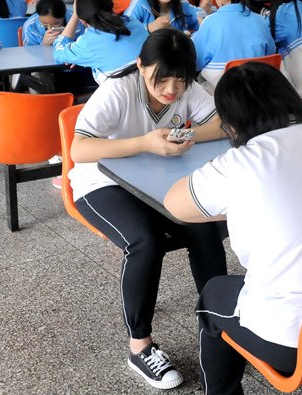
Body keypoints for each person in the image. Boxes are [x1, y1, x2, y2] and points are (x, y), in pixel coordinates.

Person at [163, 62, 302, 394]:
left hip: (298, 339)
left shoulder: (241, 164)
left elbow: (174, 203)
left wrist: (245, 205)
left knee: (213, 295)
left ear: (230, 124)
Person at [68, 28, 229, 389]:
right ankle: (140, 345)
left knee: (202, 224)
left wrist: (183, 135)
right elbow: (79, 149)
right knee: (145, 241)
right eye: (162, 79)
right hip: (101, 182)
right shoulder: (117, 89)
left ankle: (220, 326)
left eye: (180, 80)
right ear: (141, 65)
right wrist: (144, 143)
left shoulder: (186, 87)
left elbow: (221, 124)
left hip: (157, 180)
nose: (172, 89)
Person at [191, 0, 276, 89]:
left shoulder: (209, 22)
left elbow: (195, 62)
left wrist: (201, 29)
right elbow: (270, 54)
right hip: (256, 88)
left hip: (220, 91)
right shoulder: (260, 20)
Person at [53, 0, 148, 83]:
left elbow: (58, 52)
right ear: (111, 5)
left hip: (119, 90)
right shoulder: (132, 22)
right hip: (148, 85)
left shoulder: (88, 43)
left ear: (82, 20)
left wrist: (74, 16)